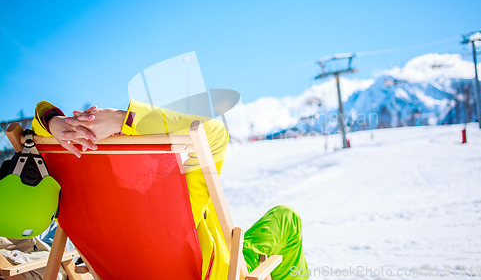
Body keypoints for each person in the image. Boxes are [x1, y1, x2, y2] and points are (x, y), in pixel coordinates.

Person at [32, 100, 309, 280]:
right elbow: (212, 132)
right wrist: (122, 120)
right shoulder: (171, 200)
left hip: (122, 270)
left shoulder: (84, 200)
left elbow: (39, 116)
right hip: (219, 271)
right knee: (286, 218)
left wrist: (57, 124)